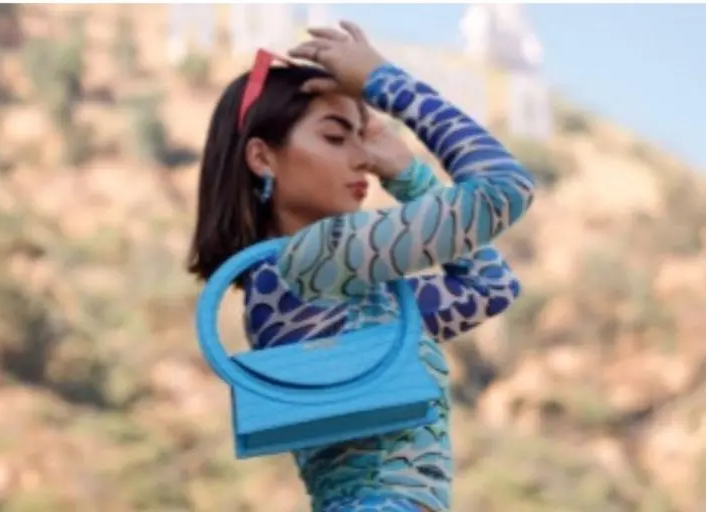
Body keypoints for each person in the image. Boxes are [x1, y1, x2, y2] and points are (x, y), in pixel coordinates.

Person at [187, 21, 536, 512]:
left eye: (362, 136)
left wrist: (408, 173)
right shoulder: (316, 256)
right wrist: (387, 83)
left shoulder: (337, 290)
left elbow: (489, 285)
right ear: (263, 158)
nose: (363, 159)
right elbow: (504, 188)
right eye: (335, 137)